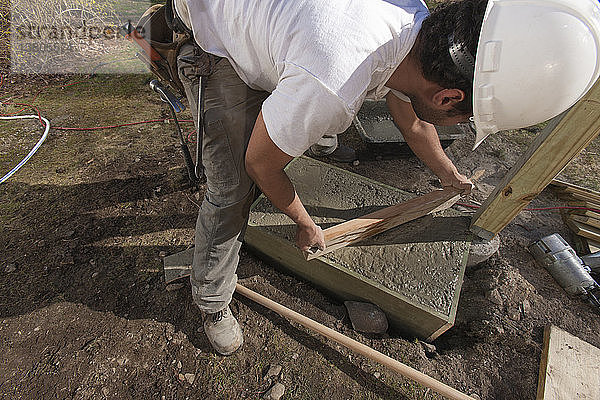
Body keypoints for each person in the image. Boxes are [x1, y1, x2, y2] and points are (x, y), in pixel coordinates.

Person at [172, 0, 485, 355]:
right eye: (463, 118)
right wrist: (304, 223)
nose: (460, 125)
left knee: (309, 106)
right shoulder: (332, 84)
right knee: (233, 188)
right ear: (448, 97)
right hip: (216, 34)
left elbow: (412, 119)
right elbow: (261, 165)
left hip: (290, 37)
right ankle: (211, 300)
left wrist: (448, 173)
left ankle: (310, 130)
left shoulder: (417, 27)